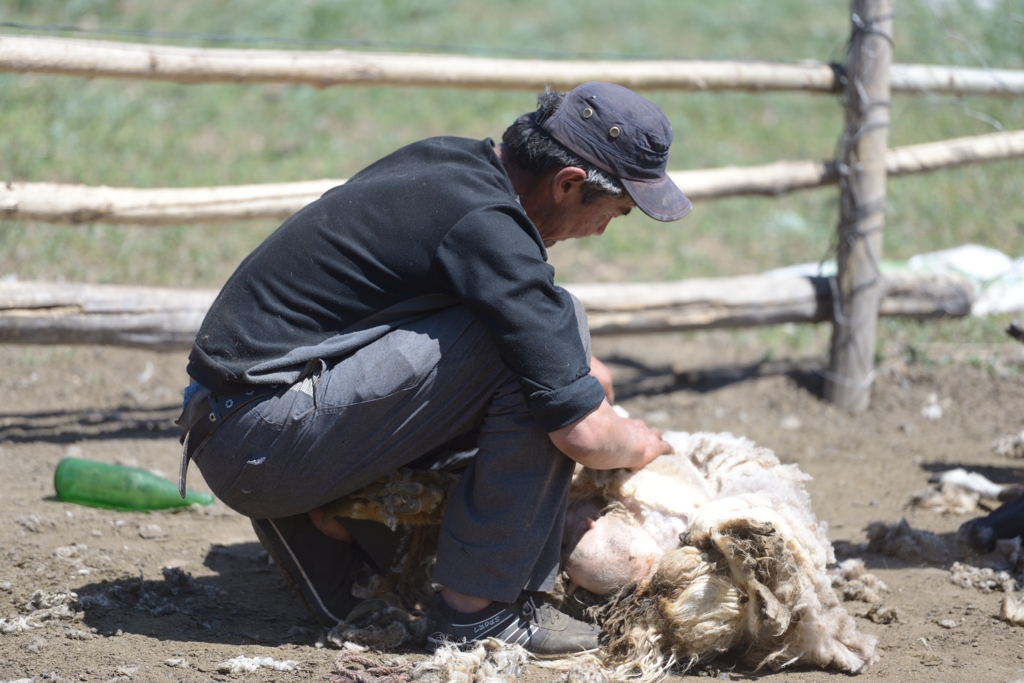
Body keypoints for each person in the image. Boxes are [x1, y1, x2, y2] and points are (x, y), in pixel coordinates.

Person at [176, 82, 691, 654]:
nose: (600, 231)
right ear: (569, 184)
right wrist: (641, 443)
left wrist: (574, 372)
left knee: (545, 346)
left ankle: (329, 530)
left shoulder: (448, 162)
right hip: (263, 438)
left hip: (234, 418)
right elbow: (586, 434)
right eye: (611, 214)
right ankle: (478, 610)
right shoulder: (490, 228)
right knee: (551, 332)